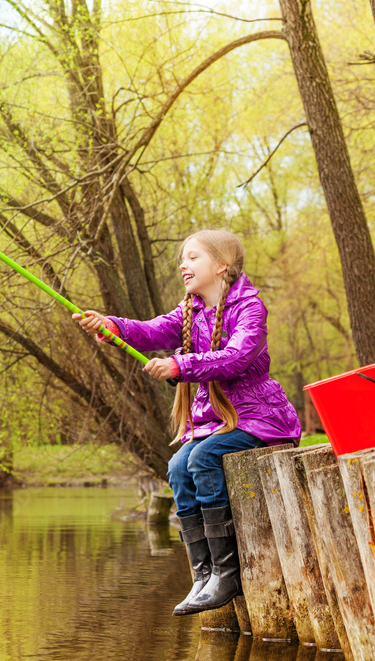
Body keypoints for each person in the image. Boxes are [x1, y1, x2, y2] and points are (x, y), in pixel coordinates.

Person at [72, 229, 300, 615]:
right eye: (183, 258)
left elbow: (236, 357)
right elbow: (151, 330)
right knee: (178, 466)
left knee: (203, 459)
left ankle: (227, 574)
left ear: (221, 265)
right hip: (218, 420)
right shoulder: (190, 312)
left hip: (260, 417)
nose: (183, 264)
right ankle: (203, 573)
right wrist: (111, 326)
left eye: (193, 257)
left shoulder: (250, 309)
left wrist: (180, 364)